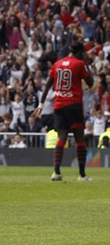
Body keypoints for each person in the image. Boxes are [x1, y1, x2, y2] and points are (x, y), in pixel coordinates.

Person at [33, 41, 93, 182]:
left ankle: (56, 172)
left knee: (62, 138)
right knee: (79, 139)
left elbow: (47, 86)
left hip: (59, 106)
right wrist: (86, 63)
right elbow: (90, 83)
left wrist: (41, 104)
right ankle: (82, 175)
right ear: (80, 53)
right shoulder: (79, 64)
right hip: (73, 105)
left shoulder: (57, 64)